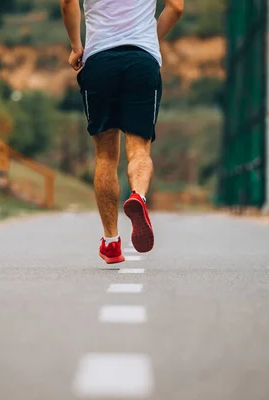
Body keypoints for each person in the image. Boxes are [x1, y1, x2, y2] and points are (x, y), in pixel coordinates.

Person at [60, 0, 184, 264]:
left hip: (99, 62)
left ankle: (111, 242)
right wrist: (150, 38)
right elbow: (176, 7)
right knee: (138, 149)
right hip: (141, 60)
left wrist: (75, 47)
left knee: (105, 157)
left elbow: (67, 2)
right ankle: (137, 195)